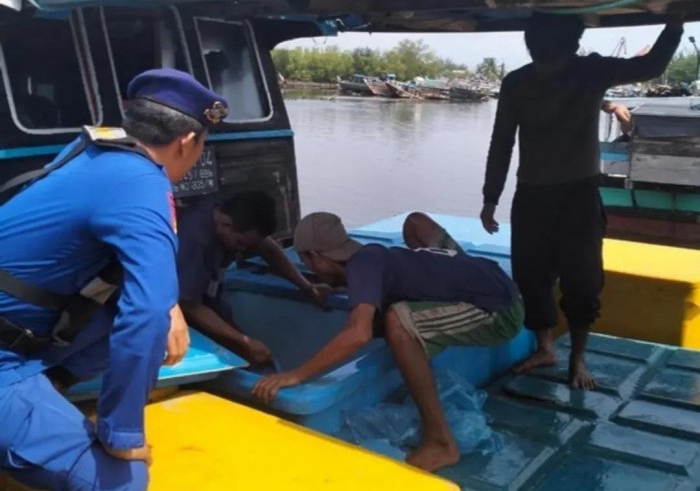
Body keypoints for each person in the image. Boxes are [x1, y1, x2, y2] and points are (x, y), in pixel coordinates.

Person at [0, 68, 228, 490]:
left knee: (141, 315)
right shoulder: (143, 187)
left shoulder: (92, 150)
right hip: (6, 358)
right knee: (123, 481)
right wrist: (123, 436)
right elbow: (145, 314)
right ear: (187, 142)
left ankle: (42, 395)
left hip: (15, 333)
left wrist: (170, 307)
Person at [480, 13, 683, 389]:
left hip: (578, 194)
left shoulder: (591, 71)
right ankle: (546, 348)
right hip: (533, 194)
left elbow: (650, 67)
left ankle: (577, 357)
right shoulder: (517, 83)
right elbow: (502, 141)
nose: (542, 56)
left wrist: (674, 28)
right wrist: (490, 197)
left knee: (583, 280)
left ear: (569, 46)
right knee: (530, 275)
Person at [253, 212, 524, 472]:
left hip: (499, 310)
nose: (309, 268)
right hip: (493, 278)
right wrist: (340, 288)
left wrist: (296, 375)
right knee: (414, 223)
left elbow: (359, 333)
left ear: (314, 257)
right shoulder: (371, 256)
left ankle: (441, 442)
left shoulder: (362, 266)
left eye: (306, 261)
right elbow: (373, 281)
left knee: (398, 323)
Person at [177, 191, 329, 364]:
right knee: (235, 354)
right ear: (225, 224)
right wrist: (244, 342)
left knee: (249, 355)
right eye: (240, 243)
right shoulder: (194, 240)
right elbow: (189, 305)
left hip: (212, 295)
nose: (243, 250)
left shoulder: (232, 208)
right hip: (182, 310)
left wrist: (307, 287)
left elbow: (266, 248)